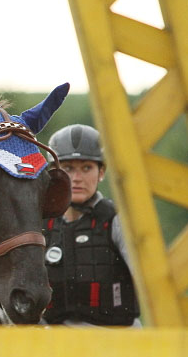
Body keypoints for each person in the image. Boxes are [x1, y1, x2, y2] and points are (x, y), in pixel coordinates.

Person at [42, 124, 140, 326]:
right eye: (68, 168)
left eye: (86, 168)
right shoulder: (40, 223)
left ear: (101, 172)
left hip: (116, 339)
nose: (77, 178)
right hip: (53, 342)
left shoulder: (117, 220)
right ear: (55, 173)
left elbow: (151, 284)